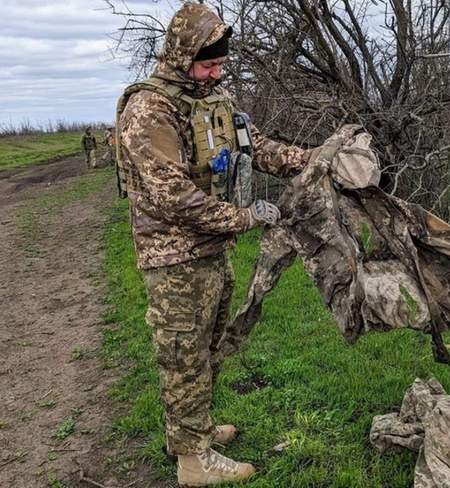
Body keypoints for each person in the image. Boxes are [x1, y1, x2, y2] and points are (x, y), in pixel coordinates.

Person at [116, 2, 312, 486]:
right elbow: (173, 194)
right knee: (183, 356)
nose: (216, 72)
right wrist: (243, 217)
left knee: (205, 351)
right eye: (208, 63)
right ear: (182, 55)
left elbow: (256, 146)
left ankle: (190, 431)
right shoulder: (150, 109)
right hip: (174, 256)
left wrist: (314, 159)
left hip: (209, 250)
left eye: (221, 63)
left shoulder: (211, 97)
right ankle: (193, 462)